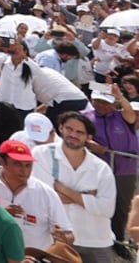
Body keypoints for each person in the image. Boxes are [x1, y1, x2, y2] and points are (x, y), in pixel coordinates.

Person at [31, 111, 116, 263]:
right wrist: (86, 196)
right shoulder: (41, 154)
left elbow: (106, 209)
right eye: (69, 129)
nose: (73, 135)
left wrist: (64, 190)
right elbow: (43, 197)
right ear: (61, 128)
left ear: (88, 137)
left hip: (96, 241)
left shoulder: (101, 168)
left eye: (79, 132)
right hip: (56, 241)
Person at [82, 84, 139, 256]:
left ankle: (119, 242)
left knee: (122, 207)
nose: (101, 105)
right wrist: (88, 143)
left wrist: (121, 97)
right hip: (98, 170)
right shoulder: (84, 117)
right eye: (98, 101)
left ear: (114, 104)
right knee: (98, 203)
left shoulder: (122, 117)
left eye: (106, 102)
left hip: (124, 170)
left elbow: (129, 113)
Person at [0, 140, 74, 251]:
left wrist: (63, 238)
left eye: (28, 165)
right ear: (2, 161)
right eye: (17, 164)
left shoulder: (46, 193)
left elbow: (68, 234)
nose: (24, 171)